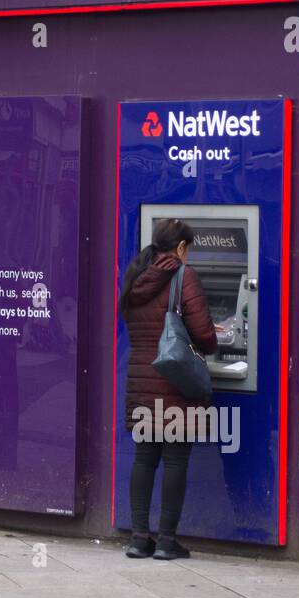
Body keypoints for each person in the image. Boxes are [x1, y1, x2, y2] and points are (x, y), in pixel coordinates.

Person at [118, 218, 217, 560]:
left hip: (141, 381)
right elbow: (204, 335)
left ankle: (138, 538)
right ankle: (166, 541)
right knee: (175, 460)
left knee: (144, 459)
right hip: (175, 385)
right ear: (180, 248)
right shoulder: (182, 276)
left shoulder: (136, 277)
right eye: (188, 249)